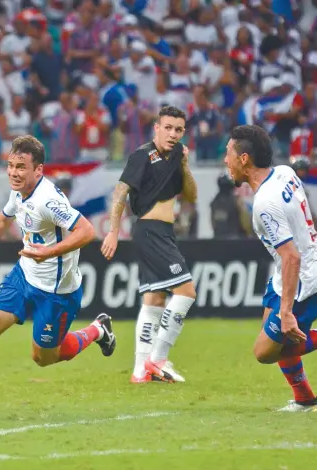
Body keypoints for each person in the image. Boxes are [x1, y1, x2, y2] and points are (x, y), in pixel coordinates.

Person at [0, 136, 116, 413]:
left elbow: (87, 231)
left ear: (38, 170)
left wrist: (47, 253)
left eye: (21, 167)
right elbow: (2, 220)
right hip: (24, 276)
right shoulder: (19, 191)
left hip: (56, 292)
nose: (14, 172)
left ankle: (98, 330)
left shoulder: (48, 201)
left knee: (45, 358)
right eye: (11, 165)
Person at [223, 125, 317, 412]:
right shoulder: (284, 172)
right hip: (299, 265)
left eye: (228, 153)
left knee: (265, 352)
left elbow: (291, 256)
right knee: (276, 337)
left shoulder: (264, 204)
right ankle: (305, 400)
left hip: (304, 278)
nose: (225, 160)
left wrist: (285, 311)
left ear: (244, 159)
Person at [101, 106, 197, 384]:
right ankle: (158, 359)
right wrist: (113, 231)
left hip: (162, 231)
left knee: (155, 298)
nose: (173, 134)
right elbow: (120, 193)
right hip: (149, 230)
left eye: (178, 129)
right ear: (156, 128)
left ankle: (140, 370)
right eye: (167, 127)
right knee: (187, 292)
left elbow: (190, 195)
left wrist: (185, 167)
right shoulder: (142, 156)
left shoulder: (178, 156)